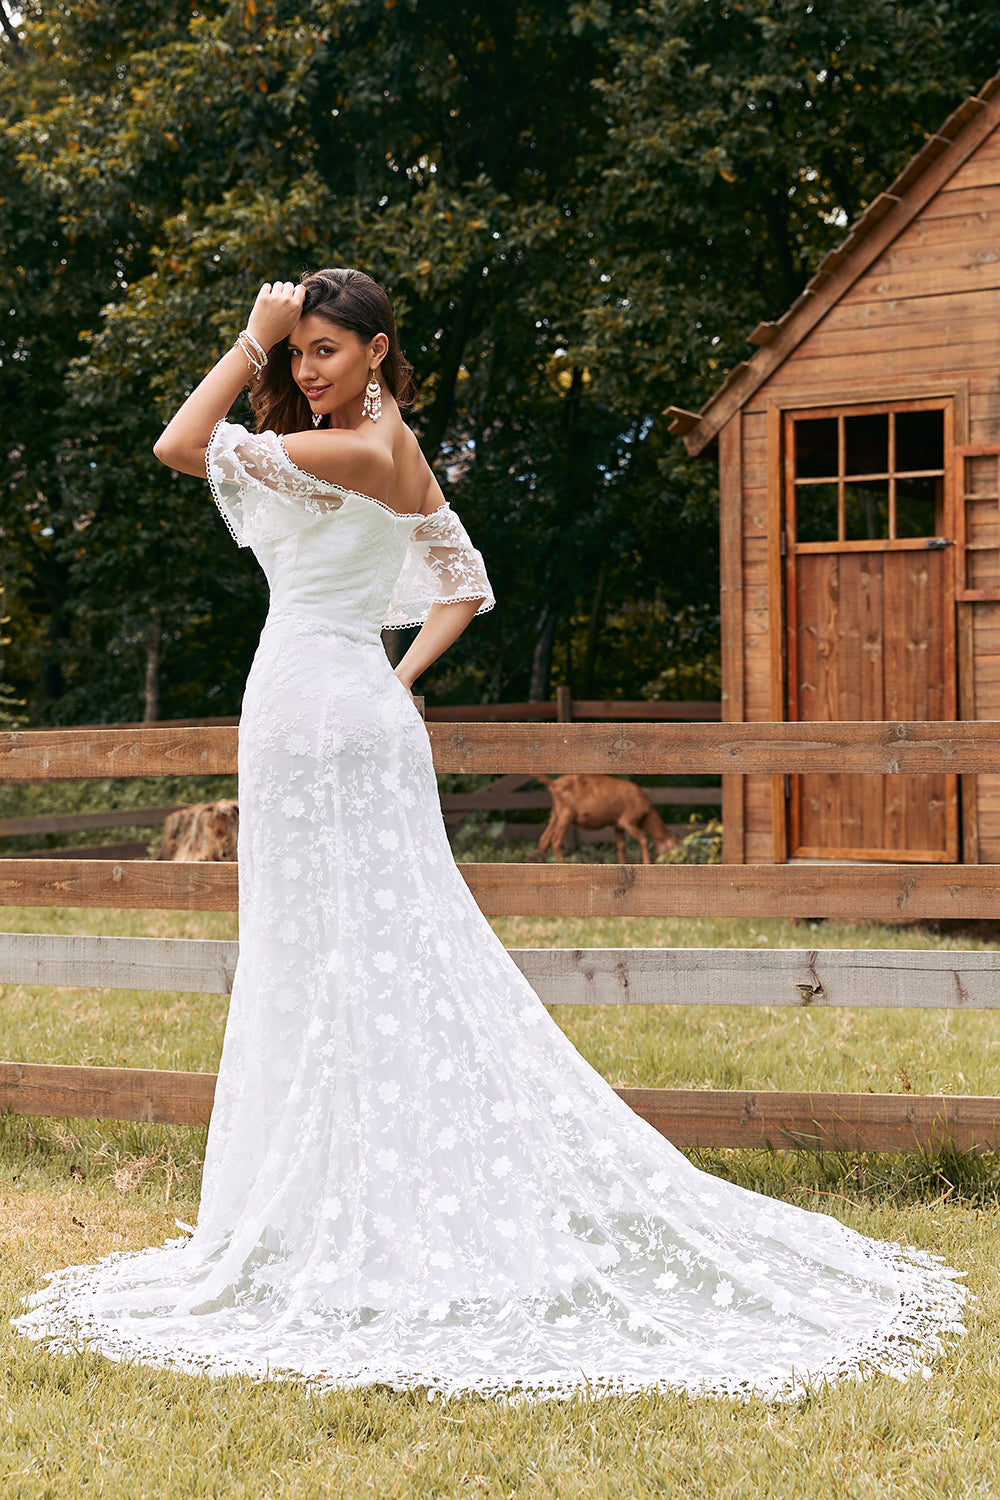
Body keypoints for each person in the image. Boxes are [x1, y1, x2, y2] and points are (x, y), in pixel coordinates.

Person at [15, 269, 966, 1400]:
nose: (305, 369)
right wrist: (397, 676)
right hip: (336, 707)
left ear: (376, 350)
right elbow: (461, 579)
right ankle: (347, 1191)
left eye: (324, 350)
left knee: (350, 956)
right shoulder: (392, 448)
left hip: (318, 721)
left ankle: (367, 1205)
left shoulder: (364, 453)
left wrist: (248, 338)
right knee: (349, 955)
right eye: (297, 352)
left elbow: (179, 444)